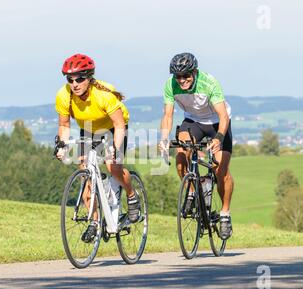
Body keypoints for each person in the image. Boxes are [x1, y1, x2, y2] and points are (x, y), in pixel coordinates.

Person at [55, 53, 141, 243]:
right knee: (86, 172)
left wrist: (115, 149)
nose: (75, 84)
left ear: (89, 78)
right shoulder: (64, 95)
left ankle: (132, 196)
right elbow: (65, 125)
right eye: (70, 79)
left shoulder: (104, 94)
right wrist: (62, 145)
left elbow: (119, 126)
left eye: (80, 79)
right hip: (88, 129)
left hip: (113, 127)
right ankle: (94, 222)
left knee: (113, 166)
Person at [159, 52, 234, 240]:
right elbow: (168, 115)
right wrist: (163, 138)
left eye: (186, 76)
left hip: (217, 123)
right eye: (178, 77)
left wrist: (218, 138)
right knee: (181, 155)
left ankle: (225, 214)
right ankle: (192, 191)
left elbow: (223, 116)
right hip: (193, 121)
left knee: (221, 170)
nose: (182, 80)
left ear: (194, 72)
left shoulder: (208, 83)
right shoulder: (171, 85)